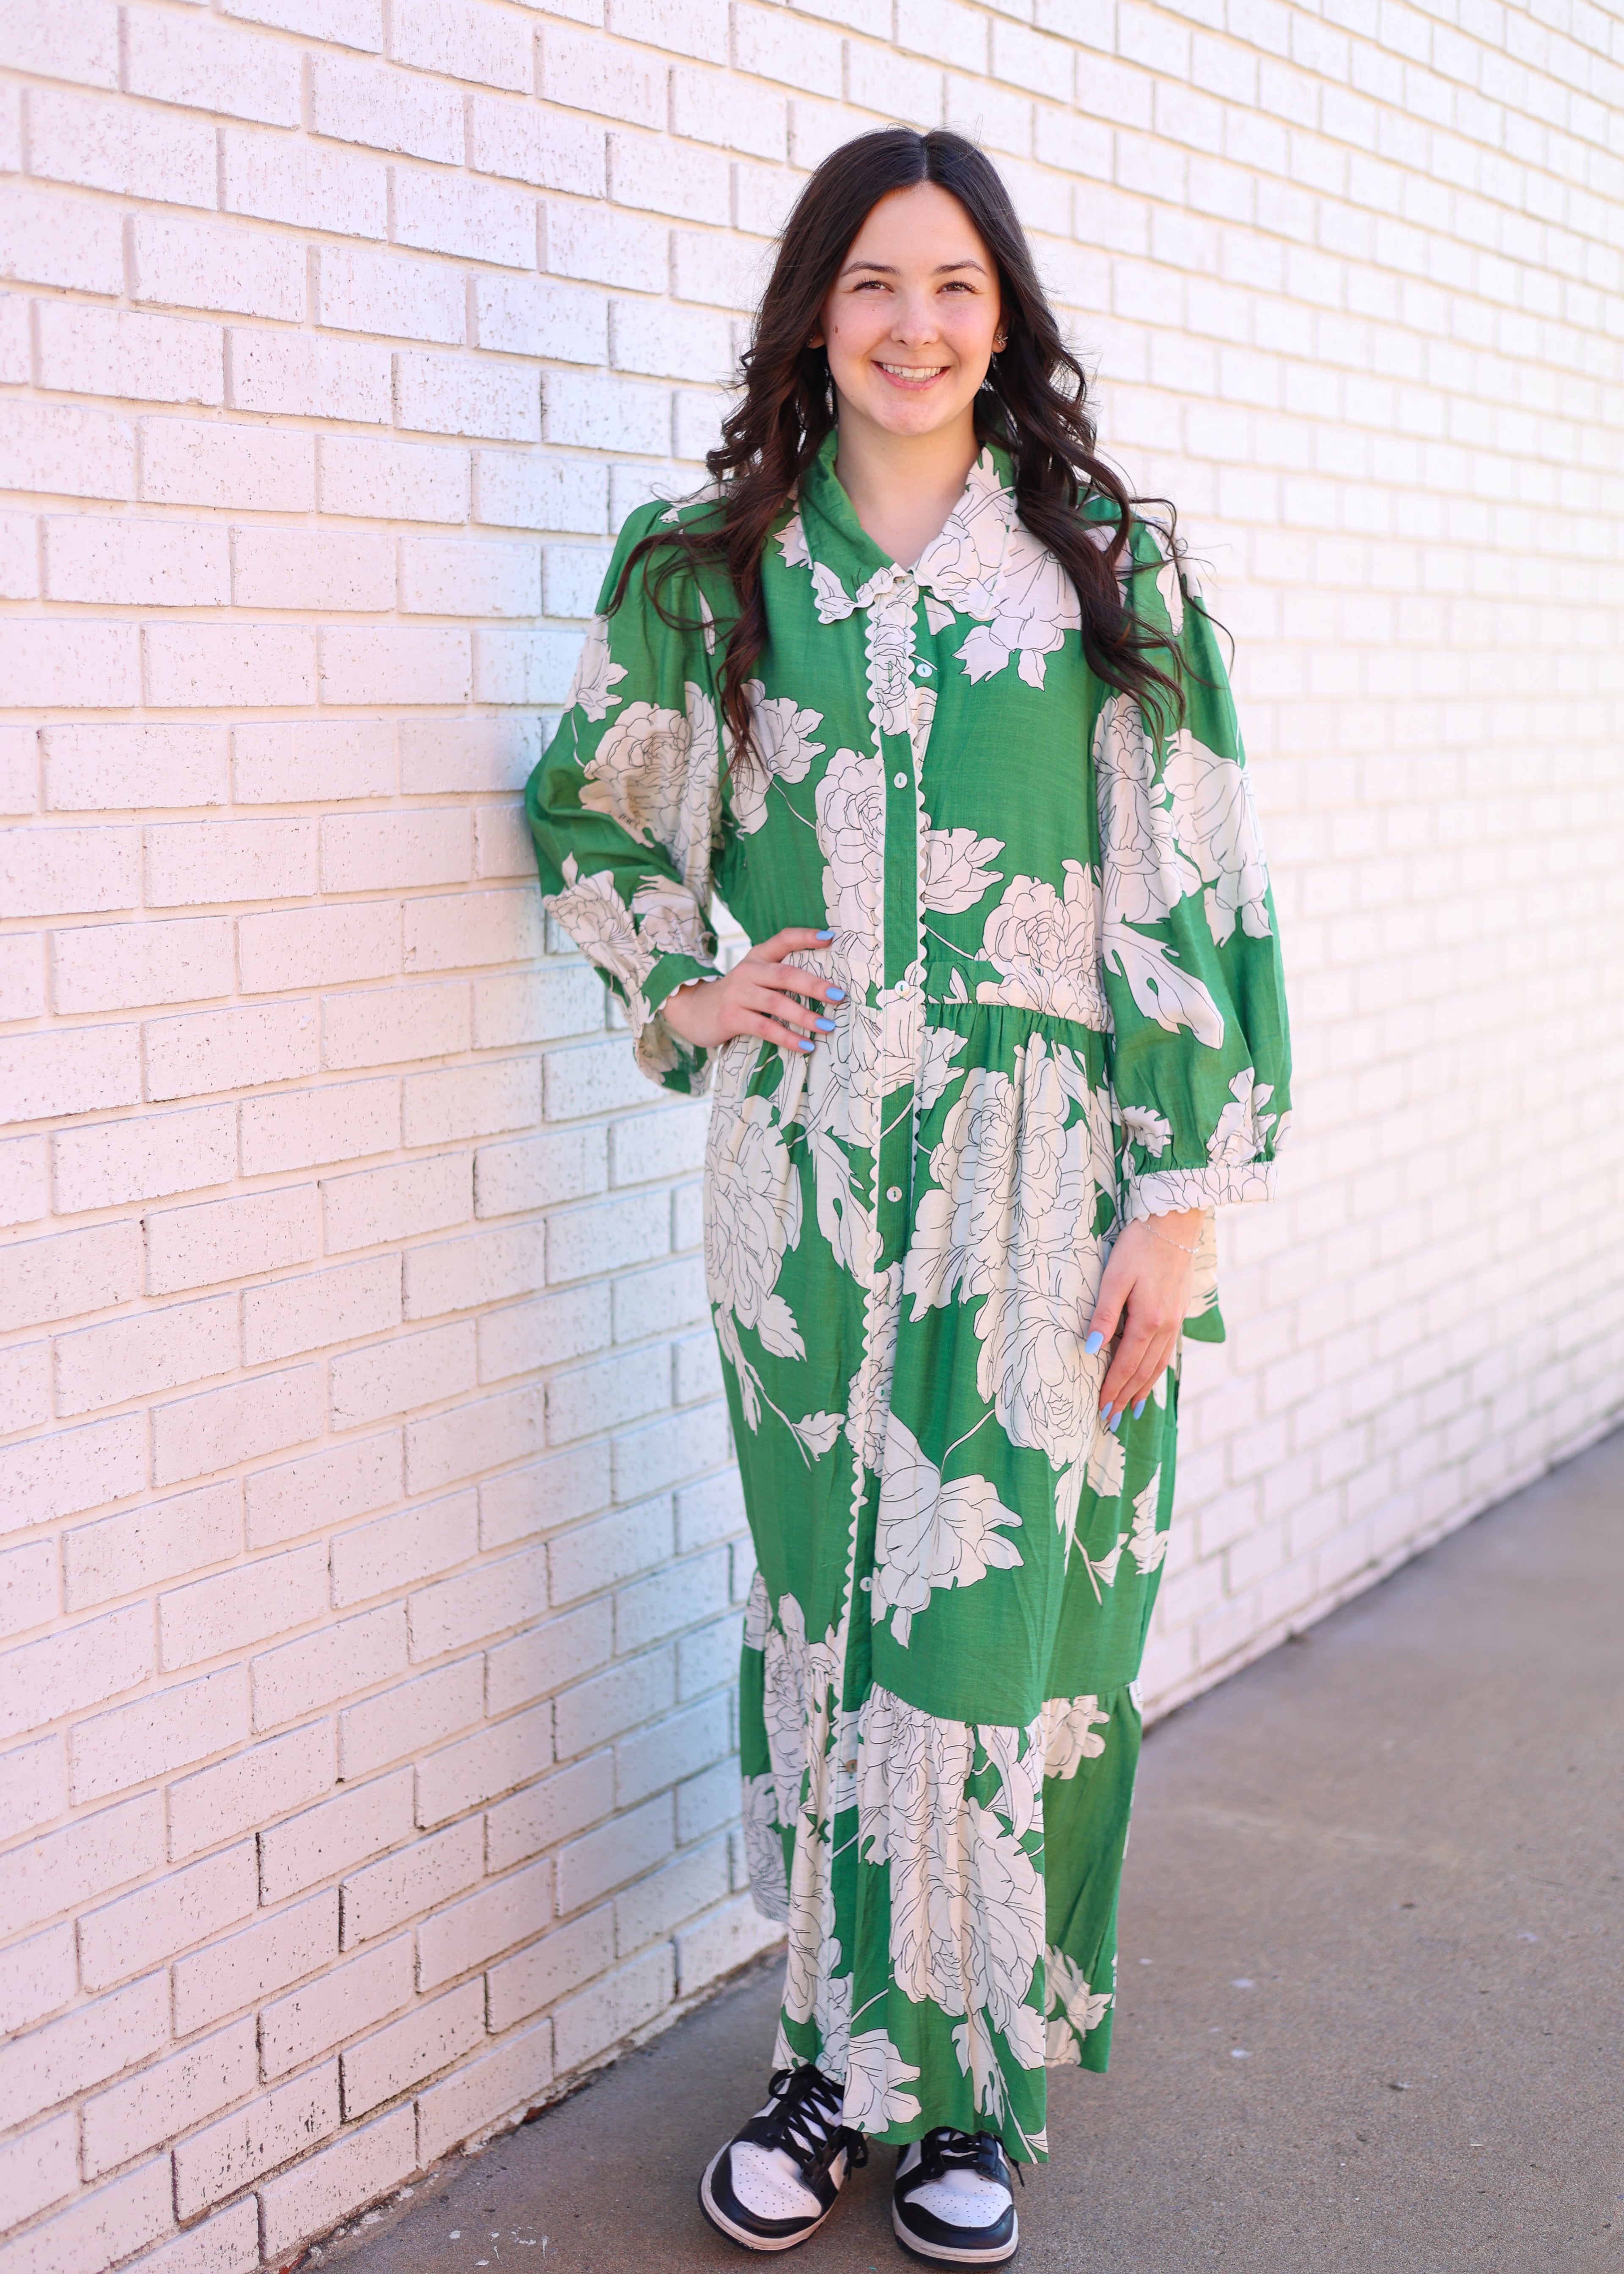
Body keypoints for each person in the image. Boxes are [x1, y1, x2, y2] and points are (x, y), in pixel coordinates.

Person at [527, 126, 1291, 2269]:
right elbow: (592, 814)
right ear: (814, 312)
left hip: (1049, 1181)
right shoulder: (708, 573)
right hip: (802, 1186)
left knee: (998, 1631)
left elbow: (1198, 882)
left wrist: (1183, 1202)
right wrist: (689, 986)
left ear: (1004, 314)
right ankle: (824, 2065)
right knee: (839, 1616)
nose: (915, 323)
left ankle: (967, 2096)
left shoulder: (1103, 568)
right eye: (873, 280)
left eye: (956, 284)